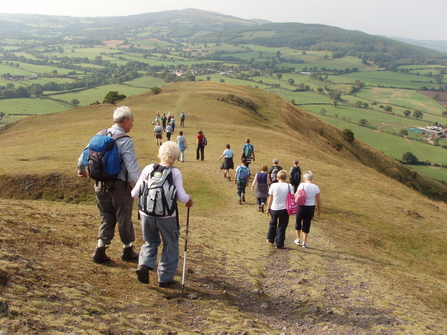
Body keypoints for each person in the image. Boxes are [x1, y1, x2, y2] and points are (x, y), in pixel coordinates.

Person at [77, 106, 142, 263]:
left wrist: (82, 170)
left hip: (100, 185)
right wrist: (141, 186)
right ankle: (127, 250)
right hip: (119, 187)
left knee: (106, 217)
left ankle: (100, 249)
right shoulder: (125, 140)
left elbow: (83, 157)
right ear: (125, 121)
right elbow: (131, 166)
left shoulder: (100, 134)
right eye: (132, 121)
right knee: (123, 217)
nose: (132, 124)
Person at [131, 141, 194, 287]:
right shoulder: (175, 172)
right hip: (167, 217)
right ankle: (165, 278)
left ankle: (144, 265)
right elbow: (182, 197)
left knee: (150, 241)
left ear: (160, 154)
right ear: (175, 157)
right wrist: (189, 199)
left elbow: (134, 193)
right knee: (170, 244)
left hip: (146, 214)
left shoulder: (148, 168)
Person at [294, 171, 321, 248]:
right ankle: (304, 242)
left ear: (304, 178)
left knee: (298, 221)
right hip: (310, 207)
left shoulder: (302, 185)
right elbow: (318, 200)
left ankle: (298, 238)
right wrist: (319, 210)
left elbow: (296, 195)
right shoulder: (316, 187)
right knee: (307, 223)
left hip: (300, 206)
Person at [266, 170, 290, 249]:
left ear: (277, 177)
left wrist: (268, 208)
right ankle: (279, 243)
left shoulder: (273, 185)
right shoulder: (289, 186)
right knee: (282, 226)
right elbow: (292, 197)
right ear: (285, 177)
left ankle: (270, 239)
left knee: (273, 223)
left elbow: (270, 198)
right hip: (284, 208)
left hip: (274, 207)